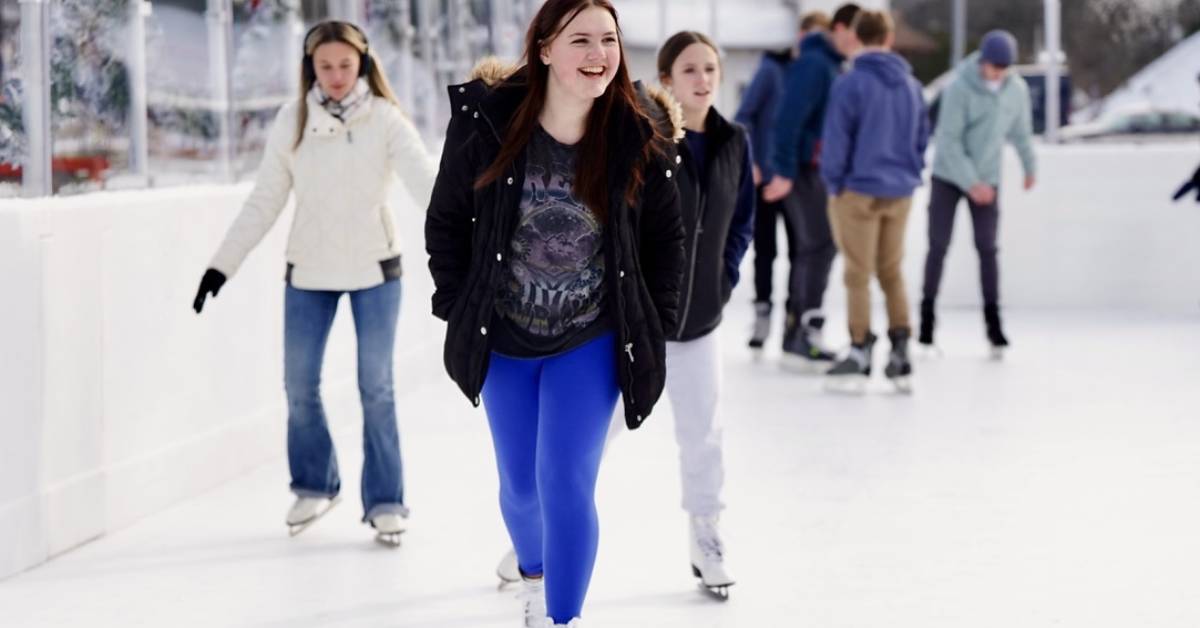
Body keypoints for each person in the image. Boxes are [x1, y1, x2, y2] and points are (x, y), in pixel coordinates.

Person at [423, 0, 685, 625]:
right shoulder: (486, 123)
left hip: (590, 335)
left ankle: (559, 616)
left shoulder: (636, 131)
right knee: (520, 488)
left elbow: (666, 238)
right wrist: (458, 305)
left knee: (564, 480)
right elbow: (446, 221)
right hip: (505, 333)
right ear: (544, 48)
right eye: (581, 40)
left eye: (609, 40)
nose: (599, 55)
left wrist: (658, 323)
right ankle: (533, 568)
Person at [191, 21, 437, 545]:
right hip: (309, 271)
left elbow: (429, 189)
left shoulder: (387, 121)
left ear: (363, 64)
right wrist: (221, 265)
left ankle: (387, 500)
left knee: (376, 388)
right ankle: (315, 483)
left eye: (345, 65)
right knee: (299, 385)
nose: (336, 76)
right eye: (325, 66)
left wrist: (482, 242)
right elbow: (264, 200)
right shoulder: (293, 120)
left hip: (376, 270)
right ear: (311, 68)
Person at [654, 30, 754, 599]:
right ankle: (538, 538)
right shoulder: (645, 138)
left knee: (703, 435)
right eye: (689, 70)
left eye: (710, 69)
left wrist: (725, 276)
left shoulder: (735, 140)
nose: (703, 80)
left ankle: (706, 535)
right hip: (643, 325)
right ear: (666, 79)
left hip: (702, 323)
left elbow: (741, 221)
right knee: (592, 435)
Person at [819, 10, 929, 394]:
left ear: (857, 37)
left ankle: (861, 347)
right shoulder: (912, 86)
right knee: (891, 271)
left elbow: (836, 141)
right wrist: (909, 173)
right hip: (899, 191)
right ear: (889, 37)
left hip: (858, 191)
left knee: (857, 274)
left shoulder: (851, 83)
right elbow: (921, 138)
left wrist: (835, 184)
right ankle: (901, 350)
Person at [920, 29, 1036, 358]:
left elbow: (1022, 132)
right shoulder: (959, 88)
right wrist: (971, 183)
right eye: (992, 66)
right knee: (938, 245)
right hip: (949, 176)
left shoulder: (1016, 91)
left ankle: (993, 324)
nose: (996, 73)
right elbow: (949, 141)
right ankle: (926, 323)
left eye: (1002, 68)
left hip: (988, 178)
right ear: (982, 61)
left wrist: (1030, 167)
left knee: (987, 248)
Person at [760, 3, 863, 371]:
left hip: (818, 169)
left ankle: (798, 333)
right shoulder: (815, 64)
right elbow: (787, 119)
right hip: (803, 169)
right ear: (839, 29)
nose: (858, 41)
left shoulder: (833, 64)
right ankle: (804, 332)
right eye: (855, 32)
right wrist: (784, 171)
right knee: (819, 245)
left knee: (813, 247)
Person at [735, 10, 829, 351]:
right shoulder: (771, 70)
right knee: (765, 250)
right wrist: (754, 163)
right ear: (801, 36)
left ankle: (794, 321)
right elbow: (743, 116)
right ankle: (762, 316)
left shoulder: (813, 77)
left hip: (796, 180)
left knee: (802, 251)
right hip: (765, 180)